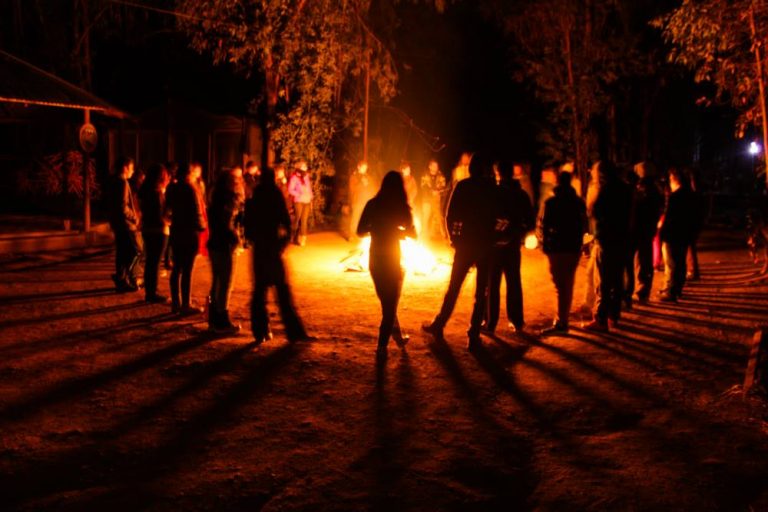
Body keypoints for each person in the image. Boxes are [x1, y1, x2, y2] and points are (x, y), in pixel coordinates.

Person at [422, 155, 496, 350]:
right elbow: (498, 214)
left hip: (466, 244)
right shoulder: (491, 188)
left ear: (471, 169)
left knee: (454, 286)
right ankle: (473, 334)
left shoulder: (464, 186)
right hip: (484, 245)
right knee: (481, 292)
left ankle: (440, 324)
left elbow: (451, 214)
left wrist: (453, 238)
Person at [244, 167, 313, 344]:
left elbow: (248, 225)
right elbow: (284, 219)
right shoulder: (273, 194)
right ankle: (294, 332)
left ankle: (260, 331)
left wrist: (255, 239)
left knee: (260, 291)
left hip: (261, 249)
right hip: (271, 248)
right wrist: (283, 242)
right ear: (273, 179)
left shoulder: (255, 196)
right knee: (281, 290)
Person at [357, 171, 416, 357]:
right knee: (389, 306)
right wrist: (398, 232)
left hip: (375, 260)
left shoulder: (373, 204)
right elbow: (413, 233)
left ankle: (397, 338)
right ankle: (382, 347)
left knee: (388, 304)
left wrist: (376, 228)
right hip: (392, 260)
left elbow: (360, 230)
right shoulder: (401, 207)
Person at [484, 161, 534, 335]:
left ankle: (490, 323)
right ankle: (517, 321)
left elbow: (487, 218)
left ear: (498, 174)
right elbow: (530, 221)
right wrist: (517, 234)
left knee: (492, 283)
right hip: (513, 246)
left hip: (494, 247)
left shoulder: (494, 194)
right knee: (514, 283)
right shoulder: (521, 194)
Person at [584, 160, 632, 332]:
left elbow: (593, 212)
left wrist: (591, 201)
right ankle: (614, 315)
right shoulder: (625, 188)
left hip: (606, 238)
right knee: (617, 278)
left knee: (602, 279)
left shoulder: (604, 190)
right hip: (622, 237)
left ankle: (600, 318)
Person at [539, 171, 587, 335]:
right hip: (573, 247)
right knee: (568, 283)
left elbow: (545, 226)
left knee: (560, 285)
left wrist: (544, 245)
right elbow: (583, 224)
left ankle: (561, 322)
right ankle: (562, 319)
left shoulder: (551, 203)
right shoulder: (578, 202)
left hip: (557, 246)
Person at [165, 162, 208, 314]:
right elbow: (197, 212)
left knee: (177, 267)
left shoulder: (172, 188)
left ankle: (176, 303)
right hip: (190, 232)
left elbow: (167, 209)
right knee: (188, 269)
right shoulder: (191, 189)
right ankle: (186, 305)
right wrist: (202, 226)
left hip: (176, 230)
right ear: (189, 175)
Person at [207, 169, 245, 333]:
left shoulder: (215, 197)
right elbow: (227, 224)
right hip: (224, 244)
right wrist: (235, 238)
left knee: (217, 281)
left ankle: (214, 319)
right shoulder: (228, 200)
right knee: (226, 283)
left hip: (215, 242)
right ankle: (222, 320)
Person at [626, 162, 664, 305]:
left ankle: (641, 291)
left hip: (639, 230)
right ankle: (642, 290)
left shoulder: (645, 192)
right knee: (643, 260)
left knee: (640, 261)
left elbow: (639, 210)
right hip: (645, 230)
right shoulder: (653, 190)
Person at [659, 167, 697, 302]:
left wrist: (662, 232)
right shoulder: (691, 195)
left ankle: (670, 291)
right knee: (680, 262)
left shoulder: (675, 197)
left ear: (674, 179)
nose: (669, 182)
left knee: (671, 264)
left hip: (672, 235)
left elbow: (669, 217)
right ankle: (677, 289)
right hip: (684, 234)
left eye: (670, 179)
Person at [107, 157, 142, 292]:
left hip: (117, 224)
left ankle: (121, 281)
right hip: (125, 224)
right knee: (135, 250)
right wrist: (134, 217)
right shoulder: (122, 183)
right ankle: (122, 277)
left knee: (122, 252)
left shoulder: (113, 181)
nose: (133, 171)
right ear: (125, 167)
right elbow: (123, 206)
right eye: (131, 168)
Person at [138, 163, 171, 303]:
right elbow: (160, 215)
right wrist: (168, 220)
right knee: (155, 263)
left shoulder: (144, 191)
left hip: (147, 229)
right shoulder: (157, 193)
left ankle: (150, 291)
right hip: (158, 230)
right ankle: (152, 293)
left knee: (151, 262)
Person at [420, 159, 448, 240]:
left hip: (436, 200)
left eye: (436, 166)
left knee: (438, 217)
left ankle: (441, 236)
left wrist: (438, 191)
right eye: (434, 166)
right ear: (430, 166)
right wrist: (430, 191)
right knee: (426, 216)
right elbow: (423, 186)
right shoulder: (425, 175)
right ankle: (423, 235)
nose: (436, 167)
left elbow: (443, 186)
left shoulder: (441, 176)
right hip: (426, 199)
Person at [349, 160, 376, 241]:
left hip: (366, 201)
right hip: (357, 201)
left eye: (366, 168)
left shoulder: (368, 177)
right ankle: (352, 234)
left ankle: (362, 234)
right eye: (363, 167)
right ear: (359, 167)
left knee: (365, 219)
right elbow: (353, 189)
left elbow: (373, 188)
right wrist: (361, 183)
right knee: (356, 218)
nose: (364, 169)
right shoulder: (354, 177)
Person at [288, 160, 313, 246]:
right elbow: (290, 190)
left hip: (307, 201)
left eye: (306, 166)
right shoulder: (294, 177)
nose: (305, 168)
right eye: (304, 166)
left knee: (304, 220)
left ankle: (303, 238)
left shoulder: (306, 176)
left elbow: (309, 187)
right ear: (299, 167)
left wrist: (310, 196)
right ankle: (292, 236)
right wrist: (298, 194)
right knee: (297, 219)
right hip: (298, 201)